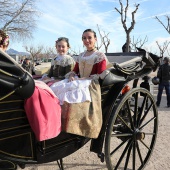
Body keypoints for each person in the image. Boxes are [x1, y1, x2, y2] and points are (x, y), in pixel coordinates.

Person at [50, 29, 109, 138]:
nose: (87, 40)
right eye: (84, 38)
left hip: (91, 82)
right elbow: (75, 70)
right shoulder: (81, 55)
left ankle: (73, 125)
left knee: (72, 89)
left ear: (95, 39)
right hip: (79, 80)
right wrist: (72, 75)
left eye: (89, 37)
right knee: (57, 86)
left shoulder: (99, 56)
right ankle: (56, 120)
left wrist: (82, 79)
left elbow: (100, 75)